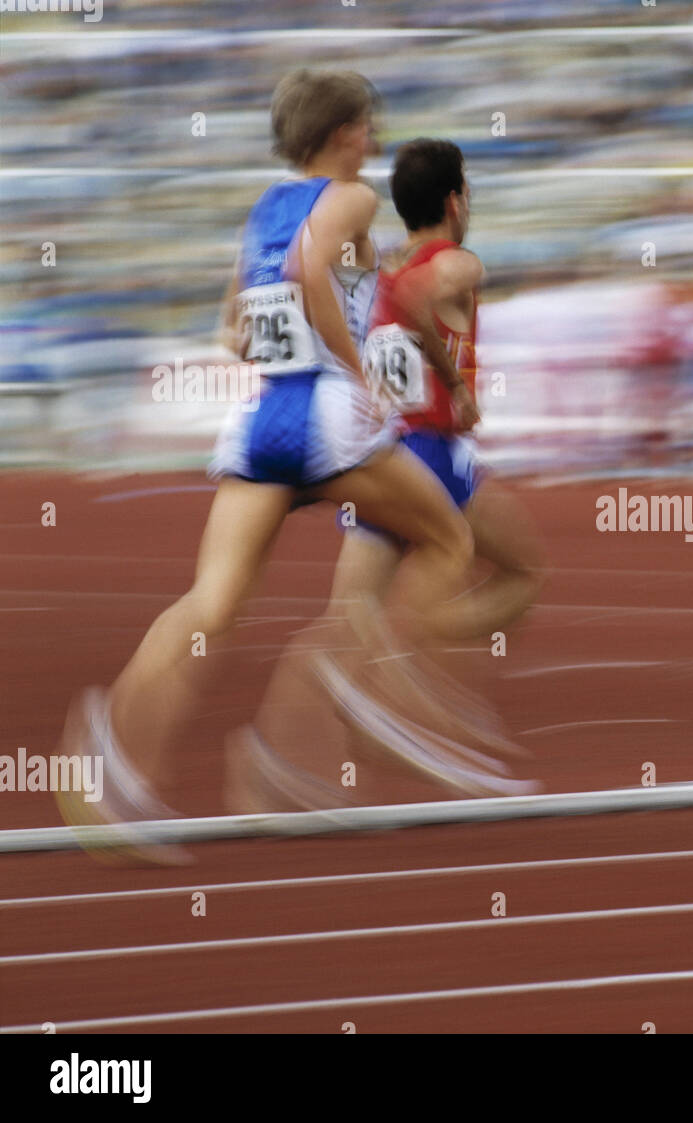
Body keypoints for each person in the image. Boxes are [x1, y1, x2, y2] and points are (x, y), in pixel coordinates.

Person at [57, 70, 479, 860]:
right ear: (342, 132)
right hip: (325, 416)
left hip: (260, 420)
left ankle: (108, 754)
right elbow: (307, 276)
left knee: (211, 603)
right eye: (368, 120)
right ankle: (371, 690)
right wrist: (356, 372)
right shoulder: (350, 196)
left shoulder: (265, 208)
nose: (375, 131)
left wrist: (317, 315)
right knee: (448, 539)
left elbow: (233, 326)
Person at [230, 138, 546, 812]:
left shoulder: (376, 266)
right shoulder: (455, 263)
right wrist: (455, 380)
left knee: (346, 622)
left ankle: (273, 755)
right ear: (457, 201)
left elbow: (341, 298)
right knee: (522, 572)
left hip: (377, 457)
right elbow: (419, 292)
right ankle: (401, 672)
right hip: (433, 454)